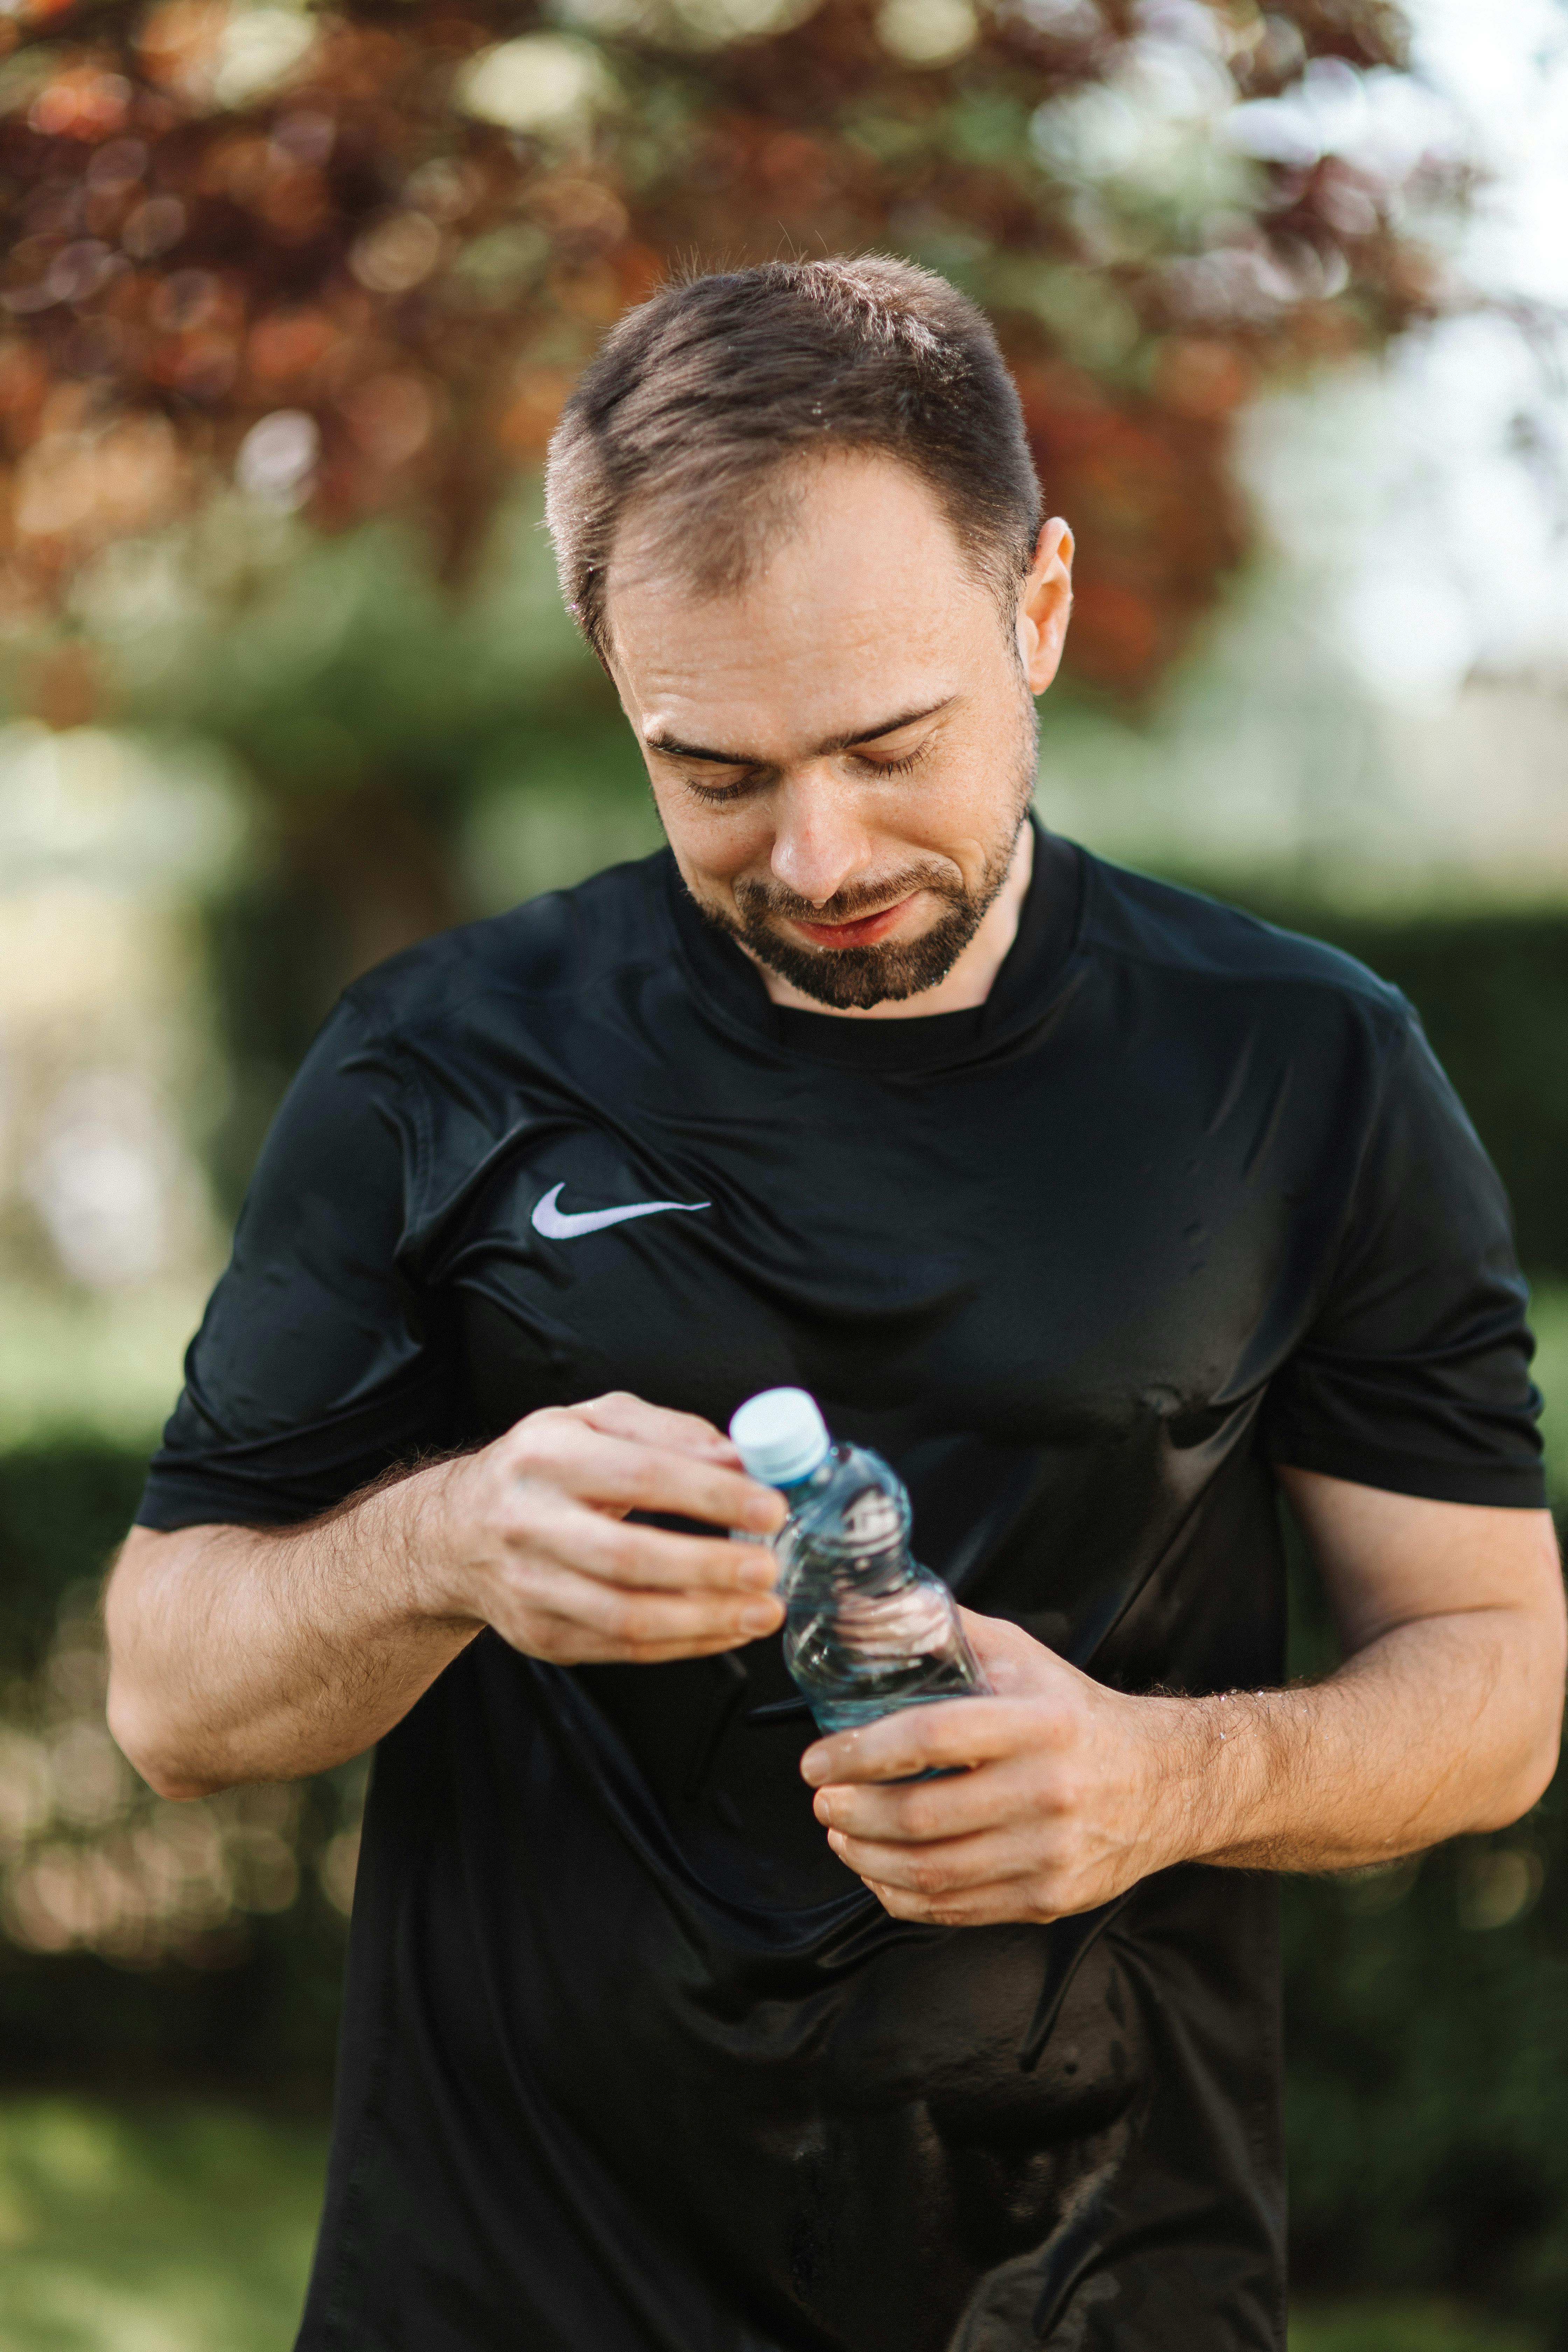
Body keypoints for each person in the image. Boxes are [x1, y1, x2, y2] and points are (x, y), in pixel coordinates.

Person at [105, 258, 1564, 2352]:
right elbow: (169, 1696)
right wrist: (446, 1542)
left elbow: (1497, 1677)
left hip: (1094, 2293)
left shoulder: (1306, 1071)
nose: (816, 853)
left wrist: (1166, 1777)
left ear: (1038, 612)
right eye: (712, 772)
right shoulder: (436, 1062)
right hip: (501, 2293)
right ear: (620, 685)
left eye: (892, 745)